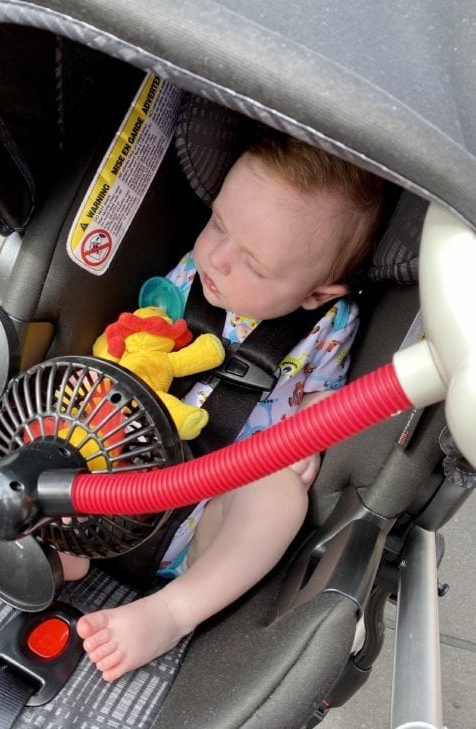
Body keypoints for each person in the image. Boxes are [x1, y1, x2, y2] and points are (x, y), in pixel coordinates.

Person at [62, 132, 389, 681]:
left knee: (281, 498)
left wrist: (309, 433)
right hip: (121, 479)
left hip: (214, 512)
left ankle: (172, 611)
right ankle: (66, 539)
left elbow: (326, 395)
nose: (215, 257)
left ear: (315, 295)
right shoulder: (191, 275)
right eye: (217, 223)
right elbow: (141, 347)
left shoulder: (328, 325)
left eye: (254, 266)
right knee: (76, 406)